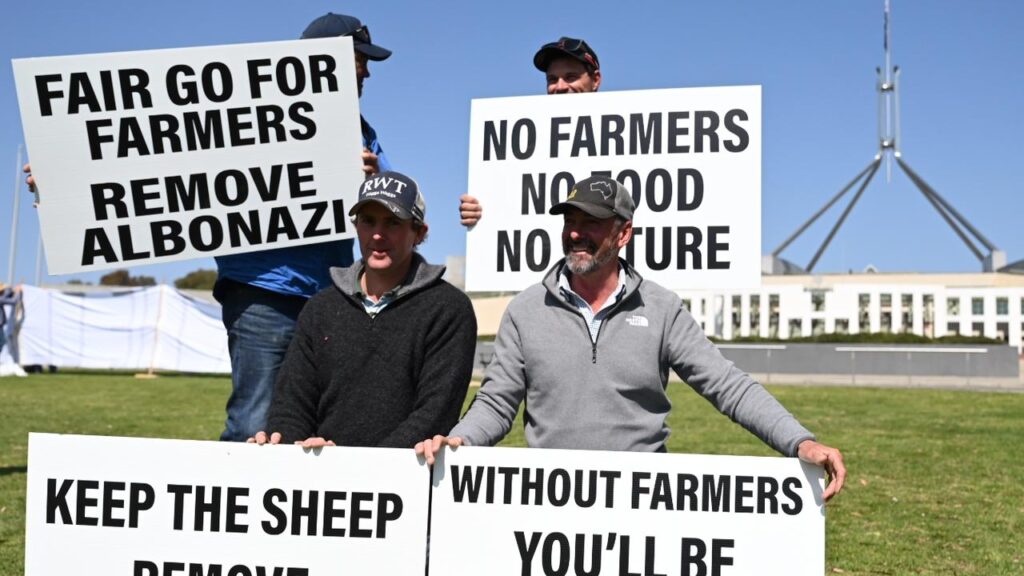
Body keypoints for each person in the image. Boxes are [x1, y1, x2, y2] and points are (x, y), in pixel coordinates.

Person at [418, 175, 847, 501]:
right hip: (549, 503)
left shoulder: (661, 308)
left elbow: (727, 385)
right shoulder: (525, 311)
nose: (575, 232)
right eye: (571, 221)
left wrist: (800, 441)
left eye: (592, 223)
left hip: (641, 505)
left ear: (623, 234)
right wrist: (462, 439)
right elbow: (496, 402)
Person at [212, 12, 395, 442]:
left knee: (315, 424)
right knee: (252, 422)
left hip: (327, 296)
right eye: (358, 59)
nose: (366, 71)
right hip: (262, 293)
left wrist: (371, 184)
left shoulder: (363, 134)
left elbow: (398, 204)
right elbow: (167, 167)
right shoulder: (247, 117)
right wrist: (67, 180)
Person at [250, 171, 476, 448]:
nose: (378, 235)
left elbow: (435, 413)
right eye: (368, 221)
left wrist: (360, 473)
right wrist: (297, 451)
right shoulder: (320, 308)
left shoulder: (448, 308)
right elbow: (291, 404)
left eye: (393, 222)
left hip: (404, 480)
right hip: (319, 476)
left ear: (419, 232)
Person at [459, 36, 601, 226]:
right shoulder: (524, 145)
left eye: (570, 77)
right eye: (552, 79)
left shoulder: (627, 135)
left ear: (596, 80)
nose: (559, 87)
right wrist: (479, 210)